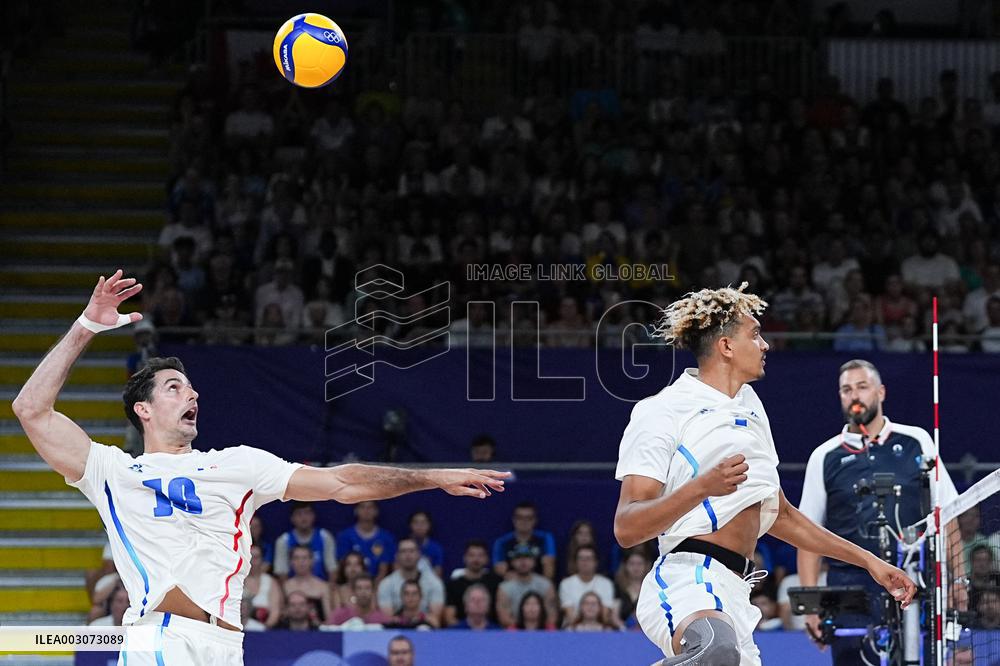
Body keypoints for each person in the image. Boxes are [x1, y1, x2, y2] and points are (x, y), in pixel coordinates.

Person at [10, 269, 509, 665]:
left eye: (191, 388)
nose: (193, 394)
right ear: (143, 410)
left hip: (227, 647)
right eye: (174, 388)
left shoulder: (238, 465)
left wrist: (431, 477)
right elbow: (31, 409)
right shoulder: (112, 471)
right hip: (161, 640)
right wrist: (87, 326)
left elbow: (341, 483)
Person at [613, 283, 916, 666]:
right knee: (714, 650)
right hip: (686, 578)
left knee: (723, 651)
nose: (765, 344)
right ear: (726, 346)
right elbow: (626, 528)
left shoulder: (752, 407)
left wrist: (870, 561)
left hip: (736, 592)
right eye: (754, 334)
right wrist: (702, 487)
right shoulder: (662, 410)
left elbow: (782, 515)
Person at [797, 359, 959, 665]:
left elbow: (947, 517)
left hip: (915, 587)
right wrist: (811, 606)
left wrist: (957, 583)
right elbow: (807, 534)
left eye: (862, 386)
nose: (854, 395)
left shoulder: (917, 441)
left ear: (880, 392)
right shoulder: (824, 456)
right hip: (849, 594)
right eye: (846, 389)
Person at [377, 538, 446, 626]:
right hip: (397, 630)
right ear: (397, 556)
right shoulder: (386, 584)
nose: (408, 555)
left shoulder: (435, 583)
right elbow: (389, 619)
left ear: (419, 555)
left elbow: (435, 619)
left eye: (412, 551)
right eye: (403, 551)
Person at [495, 545, 558, 628]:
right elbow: (504, 618)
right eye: (518, 558)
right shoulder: (504, 588)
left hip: (542, 631)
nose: (523, 561)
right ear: (512, 562)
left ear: (534, 561)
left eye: (527, 557)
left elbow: (552, 616)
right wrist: (525, 628)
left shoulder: (546, 585)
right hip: (515, 633)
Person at [272, 502, 337, 582]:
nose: (303, 518)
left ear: (313, 516)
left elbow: (332, 569)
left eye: (307, 513)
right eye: (299, 514)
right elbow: (281, 572)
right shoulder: (283, 540)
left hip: (321, 588)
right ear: (292, 518)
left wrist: (328, 592)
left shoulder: (325, 536)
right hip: (293, 590)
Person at [492, 502, 557, 579]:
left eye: (529, 518)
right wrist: (523, 580)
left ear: (535, 520)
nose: (524, 522)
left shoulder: (545, 538)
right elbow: (500, 571)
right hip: (511, 584)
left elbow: (549, 571)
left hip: (538, 584)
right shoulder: (502, 542)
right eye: (520, 518)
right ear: (514, 519)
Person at [444, 539, 503, 626]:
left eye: (480, 555)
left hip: (492, 632)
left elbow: (501, 613)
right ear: (464, 558)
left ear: (487, 559)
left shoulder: (496, 582)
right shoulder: (453, 585)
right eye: (471, 555)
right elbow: (449, 618)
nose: (476, 559)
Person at [558, 544, 618, 627]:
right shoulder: (566, 584)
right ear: (576, 562)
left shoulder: (606, 584)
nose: (585, 562)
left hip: (600, 630)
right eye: (581, 559)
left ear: (596, 562)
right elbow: (570, 616)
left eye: (588, 559)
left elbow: (605, 615)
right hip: (573, 630)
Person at [336, 500, 398, 580]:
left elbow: (384, 569)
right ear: (356, 511)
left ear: (376, 511)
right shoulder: (345, 536)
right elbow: (342, 566)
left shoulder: (386, 537)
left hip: (376, 584)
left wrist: (374, 588)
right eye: (362, 507)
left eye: (370, 507)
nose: (366, 510)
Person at [282, 545, 333, 622]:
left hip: (317, 631)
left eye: (304, 558)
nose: (300, 562)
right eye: (296, 558)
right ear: (291, 562)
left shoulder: (323, 586)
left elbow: (329, 617)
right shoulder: (285, 586)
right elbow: (282, 615)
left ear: (312, 561)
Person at [326, 574, 392, 626]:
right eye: (359, 588)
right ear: (353, 592)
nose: (363, 592)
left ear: (373, 592)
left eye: (367, 588)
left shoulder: (382, 619)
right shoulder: (339, 615)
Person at [243, 544, 282, 628]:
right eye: (249, 557)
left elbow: (275, 612)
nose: (252, 561)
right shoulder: (236, 580)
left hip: (261, 631)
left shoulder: (271, 582)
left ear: (262, 560)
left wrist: (263, 630)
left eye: (256, 557)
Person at [408, 510, 445, 579]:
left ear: (429, 525)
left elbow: (437, 574)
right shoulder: (403, 545)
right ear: (410, 525)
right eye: (416, 522)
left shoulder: (436, 548)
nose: (419, 526)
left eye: (423, 523)